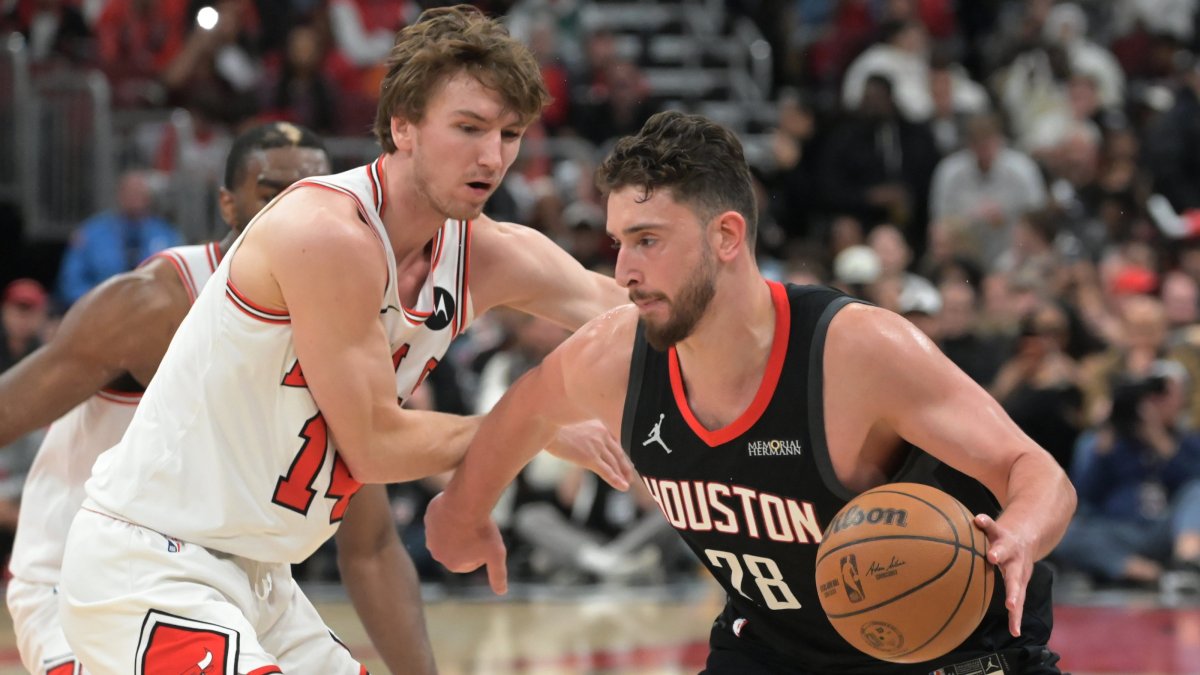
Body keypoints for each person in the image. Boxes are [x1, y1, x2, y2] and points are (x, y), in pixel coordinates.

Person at [58, 7, 632, 673]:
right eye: (469, 127)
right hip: (152, 561)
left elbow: (635, 315)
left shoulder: (486, 252)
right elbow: (375, 443)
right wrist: (532, 423)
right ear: (403, 126)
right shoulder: (326, 231)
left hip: (263, 578)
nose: (492, 156)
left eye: (509, 134)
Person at [425, 111, 1077, 674]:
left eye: (648, 240)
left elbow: (1038, 472)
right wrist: (464, 511)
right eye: (619, 242)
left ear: (727, 236)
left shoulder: (856, 351)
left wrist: (1018, 534)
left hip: (951, 643)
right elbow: (526, 407)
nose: (624, 269)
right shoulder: (617, 357)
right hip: (778, 650)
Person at [0, 122, 437, 675]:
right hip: (96, 576)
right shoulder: (152, 305)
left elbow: (371, 547)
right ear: (228, 204)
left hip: (240, 581)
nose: (302, 207)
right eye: (274, 191)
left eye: (321, 189)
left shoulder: (344, 321)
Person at [56, 169, 184, 306]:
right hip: (100, 312)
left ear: (148, 197)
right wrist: (100, 302)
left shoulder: (167, 234)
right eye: (129, 192)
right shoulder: (90, 233)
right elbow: (71, 282)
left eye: (139, 192)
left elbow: (180, 280)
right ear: (119, 194)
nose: (134, 197)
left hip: (155, 311)